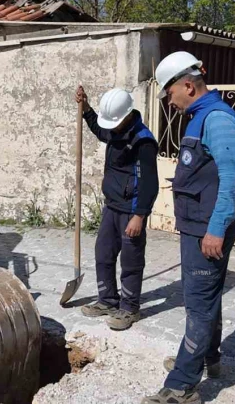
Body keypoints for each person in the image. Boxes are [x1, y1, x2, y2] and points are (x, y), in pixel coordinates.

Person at [143, 52, 235, 404]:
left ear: (188, 85)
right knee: (206, 295)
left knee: (198, 302)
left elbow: (232, 179)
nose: (169, 101)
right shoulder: (199, 117)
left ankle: (182, 384)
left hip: (208, 229)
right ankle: (208, 356)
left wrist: (216, 229)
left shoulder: (218, 120)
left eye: (170, 93)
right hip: (198, 225)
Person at [75, 85, 159, 331]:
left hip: (131, 211)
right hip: (111, 206)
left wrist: (139, 216)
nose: (110, 127)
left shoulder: (143, 141)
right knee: (103, 253)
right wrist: (86, 108)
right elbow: (101, 130)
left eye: (114, 122)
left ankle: (129, 308)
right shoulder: (116, 130)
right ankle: (108, 300)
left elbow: (148, 183)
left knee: (131, 261)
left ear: (126, 116)